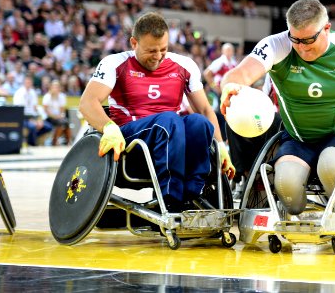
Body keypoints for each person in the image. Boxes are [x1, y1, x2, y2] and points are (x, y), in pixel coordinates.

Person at [220, 0, 335, 216]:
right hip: (297, 139)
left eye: (309, 40)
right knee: (286, 187)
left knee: (330, 167)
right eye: (295, 39)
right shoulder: (276, 45)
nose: (302, 48)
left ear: (326, 28)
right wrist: (230, 85)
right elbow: (241, 73)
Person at [79, 12, 235, 212]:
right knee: (169, 120)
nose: (158, 56)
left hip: (171, 138)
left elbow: (205, 109)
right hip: (131, 140)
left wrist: (221, 146)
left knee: (199, 123)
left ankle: (193, 193)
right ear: (134, 43)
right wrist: (108, 127)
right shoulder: (114, 63)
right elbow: (87, 102)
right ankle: (171, 198)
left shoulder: (184, 65)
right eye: (151, 50)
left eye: (163, 49)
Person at [203, 42, 237, 142]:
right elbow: (207, 73)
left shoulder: (233, 62)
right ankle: (219, 139)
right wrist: (215, 87)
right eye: (227, 50)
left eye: (231, 50)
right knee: (221, 116)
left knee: (229, 116)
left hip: (230, 93)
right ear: (223, 51)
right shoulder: (220, 62)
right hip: (221, 92)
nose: (229, 52)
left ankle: (227, 139)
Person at [13, 76, 53, 146]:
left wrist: (39, 119)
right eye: (27, 82)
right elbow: (18, 110)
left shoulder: (33, 92)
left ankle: (31, 140)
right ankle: (32, 145)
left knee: (48, 126)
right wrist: (31, 120)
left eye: (30, 82)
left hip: (34, 116)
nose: (29, 83)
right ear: (24, 82)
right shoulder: (18, 93)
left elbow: (36, 108)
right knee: (32, 127)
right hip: (23, 118)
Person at [42, 80, 71, 145]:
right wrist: (56, 116)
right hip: (49, 117)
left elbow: (62, 109)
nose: (56, 89)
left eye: (57, 87)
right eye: (54, 87)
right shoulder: (47, 97)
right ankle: (54, 141)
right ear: (51, 88)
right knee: (61, 123)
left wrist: (60, 116)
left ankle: (68, 142)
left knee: (66, 122)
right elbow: (46, 111)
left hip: (58, 117)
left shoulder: (62, 96)